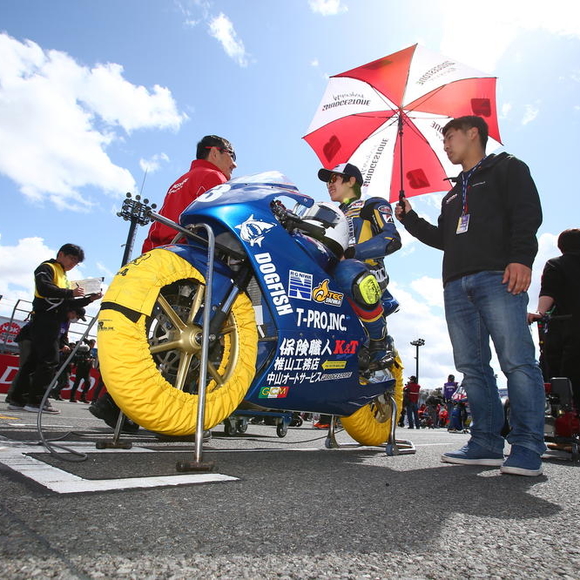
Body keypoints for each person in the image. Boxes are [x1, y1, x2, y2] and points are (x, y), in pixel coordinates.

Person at [395, 115, 545, 477]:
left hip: (499, 275)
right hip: (456, 285)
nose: (444, 144)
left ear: (473, 133)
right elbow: (444, 239)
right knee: (472, 369)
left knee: (517, 361)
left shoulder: (507, 168)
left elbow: (528, 215)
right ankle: (486, 443)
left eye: (449, 136)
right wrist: (410, 219)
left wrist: (520, 259)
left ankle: (526, 445)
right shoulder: (450, 194)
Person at [317, 163, 401, 367]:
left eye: (333, 179)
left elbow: (392, 239)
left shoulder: (371, 204)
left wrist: (352, 252)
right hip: (331, 276)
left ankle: (380, 342)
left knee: (348, 270)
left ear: (351, 180)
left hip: (366, 275)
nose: (329, 184)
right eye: (327, 181)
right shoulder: (327, 213)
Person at [9, 244, 101, 413]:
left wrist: (89, 299)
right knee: (50, 360)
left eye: (77, 262)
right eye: (72, 258)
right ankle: (36, 401)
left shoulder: (64, 276)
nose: (73, 263)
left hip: (51, 320)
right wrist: (70, 293)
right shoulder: (47, 267)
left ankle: (17, 399)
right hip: (45, 318)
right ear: (61, 254)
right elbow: (44, 288)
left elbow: (68, 303)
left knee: (33, 361)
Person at [142, 135, 237, 252]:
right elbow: (227, 223)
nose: (234, 164)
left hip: (163, 255)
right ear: (214, 152)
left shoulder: (177, 183)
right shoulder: (214, 176)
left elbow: (156, 229)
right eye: (232, 155)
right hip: (194, 257)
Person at [528, 228, 580, 410]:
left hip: (569, 329)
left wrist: (540, 313)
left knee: (564, 378)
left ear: (560, 247)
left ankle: (565, 415)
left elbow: (548, 291)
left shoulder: (556, 264)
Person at [68, 339, 96, 403]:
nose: (93, 346)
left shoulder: (90, 351)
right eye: (92, 344)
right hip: (81, 368)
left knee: (88, 383)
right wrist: (86, 359)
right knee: (77, 383)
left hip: (87, 369)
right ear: (90, 344)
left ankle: (83, 397)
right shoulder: (85, 348)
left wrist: (90, 360)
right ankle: (72, 397)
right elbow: (79, 357)